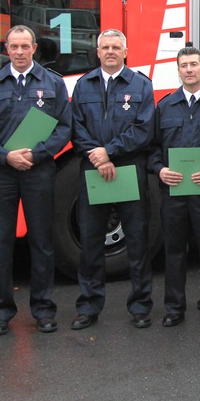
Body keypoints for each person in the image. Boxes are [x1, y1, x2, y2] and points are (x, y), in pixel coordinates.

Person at [0, 25, 72, 336]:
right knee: (0, 243)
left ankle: (43, 309)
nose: (18, 52)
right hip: (1, 173)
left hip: (39, 172)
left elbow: (64, 128)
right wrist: (5, 156)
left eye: (24, 46)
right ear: (6, 49)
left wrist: (38, 154)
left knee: (41, 242)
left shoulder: (53, 83)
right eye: (13, 47)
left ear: (34, 48)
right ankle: (0, 312)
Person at [69, 29, 156, 330]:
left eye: (116, 47)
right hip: (94, 170)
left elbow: (144, 130)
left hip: (129, 170)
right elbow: (76, 127)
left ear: (126, 51)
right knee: (91, 242)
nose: (110, 51)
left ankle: (141, 305)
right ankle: (89, 305)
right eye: (104, 47)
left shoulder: (141, 85)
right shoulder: (84, 85)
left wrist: (109, 152)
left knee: (137, 241)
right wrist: (97, 156)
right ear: (96, 52)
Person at [152, 46, 200, 329]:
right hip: (173, 192)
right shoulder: (165, 106)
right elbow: (151, 149)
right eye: (183, 65)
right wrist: (160, 170)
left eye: (194, 64)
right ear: (178, 69)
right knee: (174, 251)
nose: (189, 69)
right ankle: (174, 308)